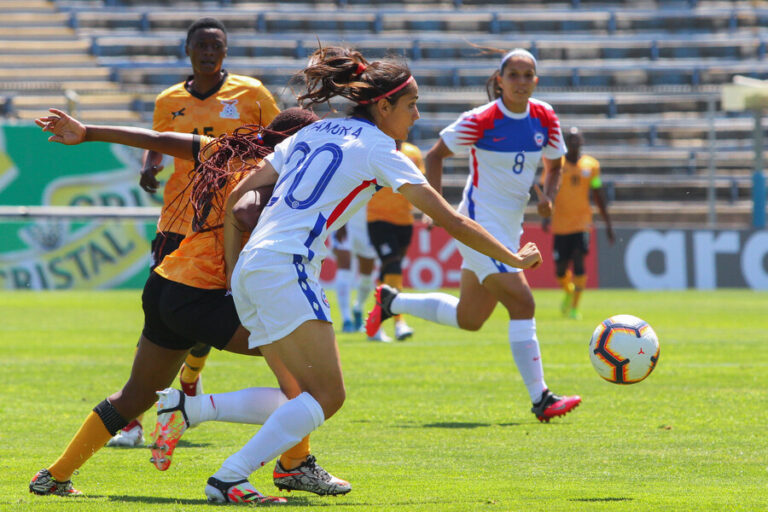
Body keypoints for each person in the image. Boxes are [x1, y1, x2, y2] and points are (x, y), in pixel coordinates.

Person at [119, 45, 545, 504]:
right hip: (287, 268)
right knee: (328, 396)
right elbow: (452, 220)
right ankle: (229, 477)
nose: (417, 115)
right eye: (411, 104)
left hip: (253, 267)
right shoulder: (381, 150)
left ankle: (192, 409)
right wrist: (513, 258)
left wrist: (233, 267)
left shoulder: (313, 130)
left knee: (299, 393)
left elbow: (241, 193)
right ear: (383, 106)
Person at [30, 108, 349, 501]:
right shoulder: (275, 175)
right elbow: (245, 211)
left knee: (136, 396)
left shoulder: (225, 148)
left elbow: (158, 140)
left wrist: (89, 130)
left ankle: (54, 475)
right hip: (206, 292)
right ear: (295, 141)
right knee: (305, 384)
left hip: (166, 283)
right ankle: (285, 462)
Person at [366, 48, 581, 423]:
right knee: (523, 303)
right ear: (499, 80)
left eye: (527, 75)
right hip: (479, 223)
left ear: (536, 80)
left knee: (470, 317)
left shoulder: (545, 116)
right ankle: (541, 399)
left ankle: (392, 302)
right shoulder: (481, 120)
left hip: (509, 227)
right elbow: (434, 156)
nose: (520, 81)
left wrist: (549, 194)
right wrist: (434, 210)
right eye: (513, 75)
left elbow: (555, 163)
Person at [107, 17, 280, 448]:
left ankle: (189, 383)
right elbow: (158, 140)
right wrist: (151, 165)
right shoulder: (169, 99)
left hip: (229, 225)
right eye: (201, 45)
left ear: (226, 52)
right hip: (178, 222)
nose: (208, 52)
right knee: (162, 317)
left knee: (207, 318)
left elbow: (283, 141)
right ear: (188, 50)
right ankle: (134, 417)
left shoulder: (252, 94)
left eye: (216, 46)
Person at [542, 127, 614, 320]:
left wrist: (607, 224)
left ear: (581, 142)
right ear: (566, 144)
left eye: (577, 140)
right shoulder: (557, 164)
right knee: (560, 269)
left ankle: (574, 308)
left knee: (579, 259)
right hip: (561, 223)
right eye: (571, 140)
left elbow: (597, 193)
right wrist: (546, 216)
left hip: (582, 222)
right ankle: (569, 291)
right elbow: (548, 191)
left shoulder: (591, 166)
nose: (574, 144)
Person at [365, 140, 425, 341]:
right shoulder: (375, 148)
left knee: (387, 274)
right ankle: (400, 323)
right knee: (393, 268)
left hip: (404, 220)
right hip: (378, 219)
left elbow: (420, 182)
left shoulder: (413, 152)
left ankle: (374, 327)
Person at [329, 207, 379, 337]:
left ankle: (358, 307)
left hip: (368, 224)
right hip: (346, 221)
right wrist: (340, 222)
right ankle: (346, 320)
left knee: (367, 277)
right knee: (344, 268)